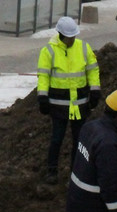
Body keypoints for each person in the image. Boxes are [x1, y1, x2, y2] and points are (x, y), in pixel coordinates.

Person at [36, 16, 101, 184]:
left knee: (79, 140)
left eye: (73, 36)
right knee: (57, 138)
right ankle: (52, 171)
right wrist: (42, 96)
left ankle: (76, 171)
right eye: (69, 36)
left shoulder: (83, 48)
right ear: (60, 34)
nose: (72, 39)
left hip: (80, 104)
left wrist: (95, 90)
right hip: (58, 105)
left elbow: (93, 71)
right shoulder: (49, 51)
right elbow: (43, 75)